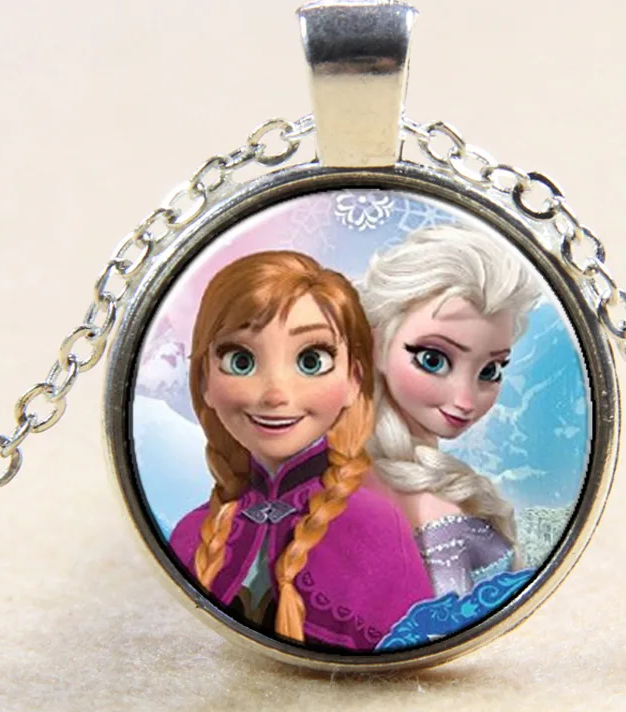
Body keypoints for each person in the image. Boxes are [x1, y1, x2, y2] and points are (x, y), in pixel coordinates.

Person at [169, 250, 434, 651]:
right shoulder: (191, 534)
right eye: (240, 360)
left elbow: (408, 655)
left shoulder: (376, 528)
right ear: (205, 380)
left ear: (354, 380)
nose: (276, 395)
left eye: (311, 360)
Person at [357, 222, 542, 598]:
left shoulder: (415, 489)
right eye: (433, 359)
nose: (466, 400)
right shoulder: (433, 515)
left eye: (490, 371)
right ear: (376, 344)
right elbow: (441, 620)